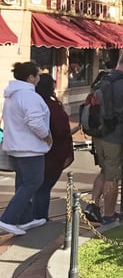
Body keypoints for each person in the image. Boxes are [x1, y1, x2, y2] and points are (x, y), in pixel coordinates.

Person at [84, 53, 123, 225]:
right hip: (115, 137)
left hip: (99, 134)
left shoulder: (102, 79)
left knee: (104, 170)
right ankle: (109, 214)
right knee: (113, 176)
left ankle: (92, 206)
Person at [0, 62, 52, 236]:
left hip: (15, 145)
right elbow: (35, 121)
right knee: (33, 182)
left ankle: (25, 218)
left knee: (23, 183)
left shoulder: (12, 95)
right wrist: (47, 136)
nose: (39, 78)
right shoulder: (29, 96)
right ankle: (8, 219)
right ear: (30, 77)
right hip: (30, 148)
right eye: (37, 75)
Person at [34, 73, 79, 222]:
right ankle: (39, 217)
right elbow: (60, 130)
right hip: (52, 151)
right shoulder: (51, 105)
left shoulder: (34, 102)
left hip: (37, 150)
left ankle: (32, 216)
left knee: (34, 185)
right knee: (44, 186)